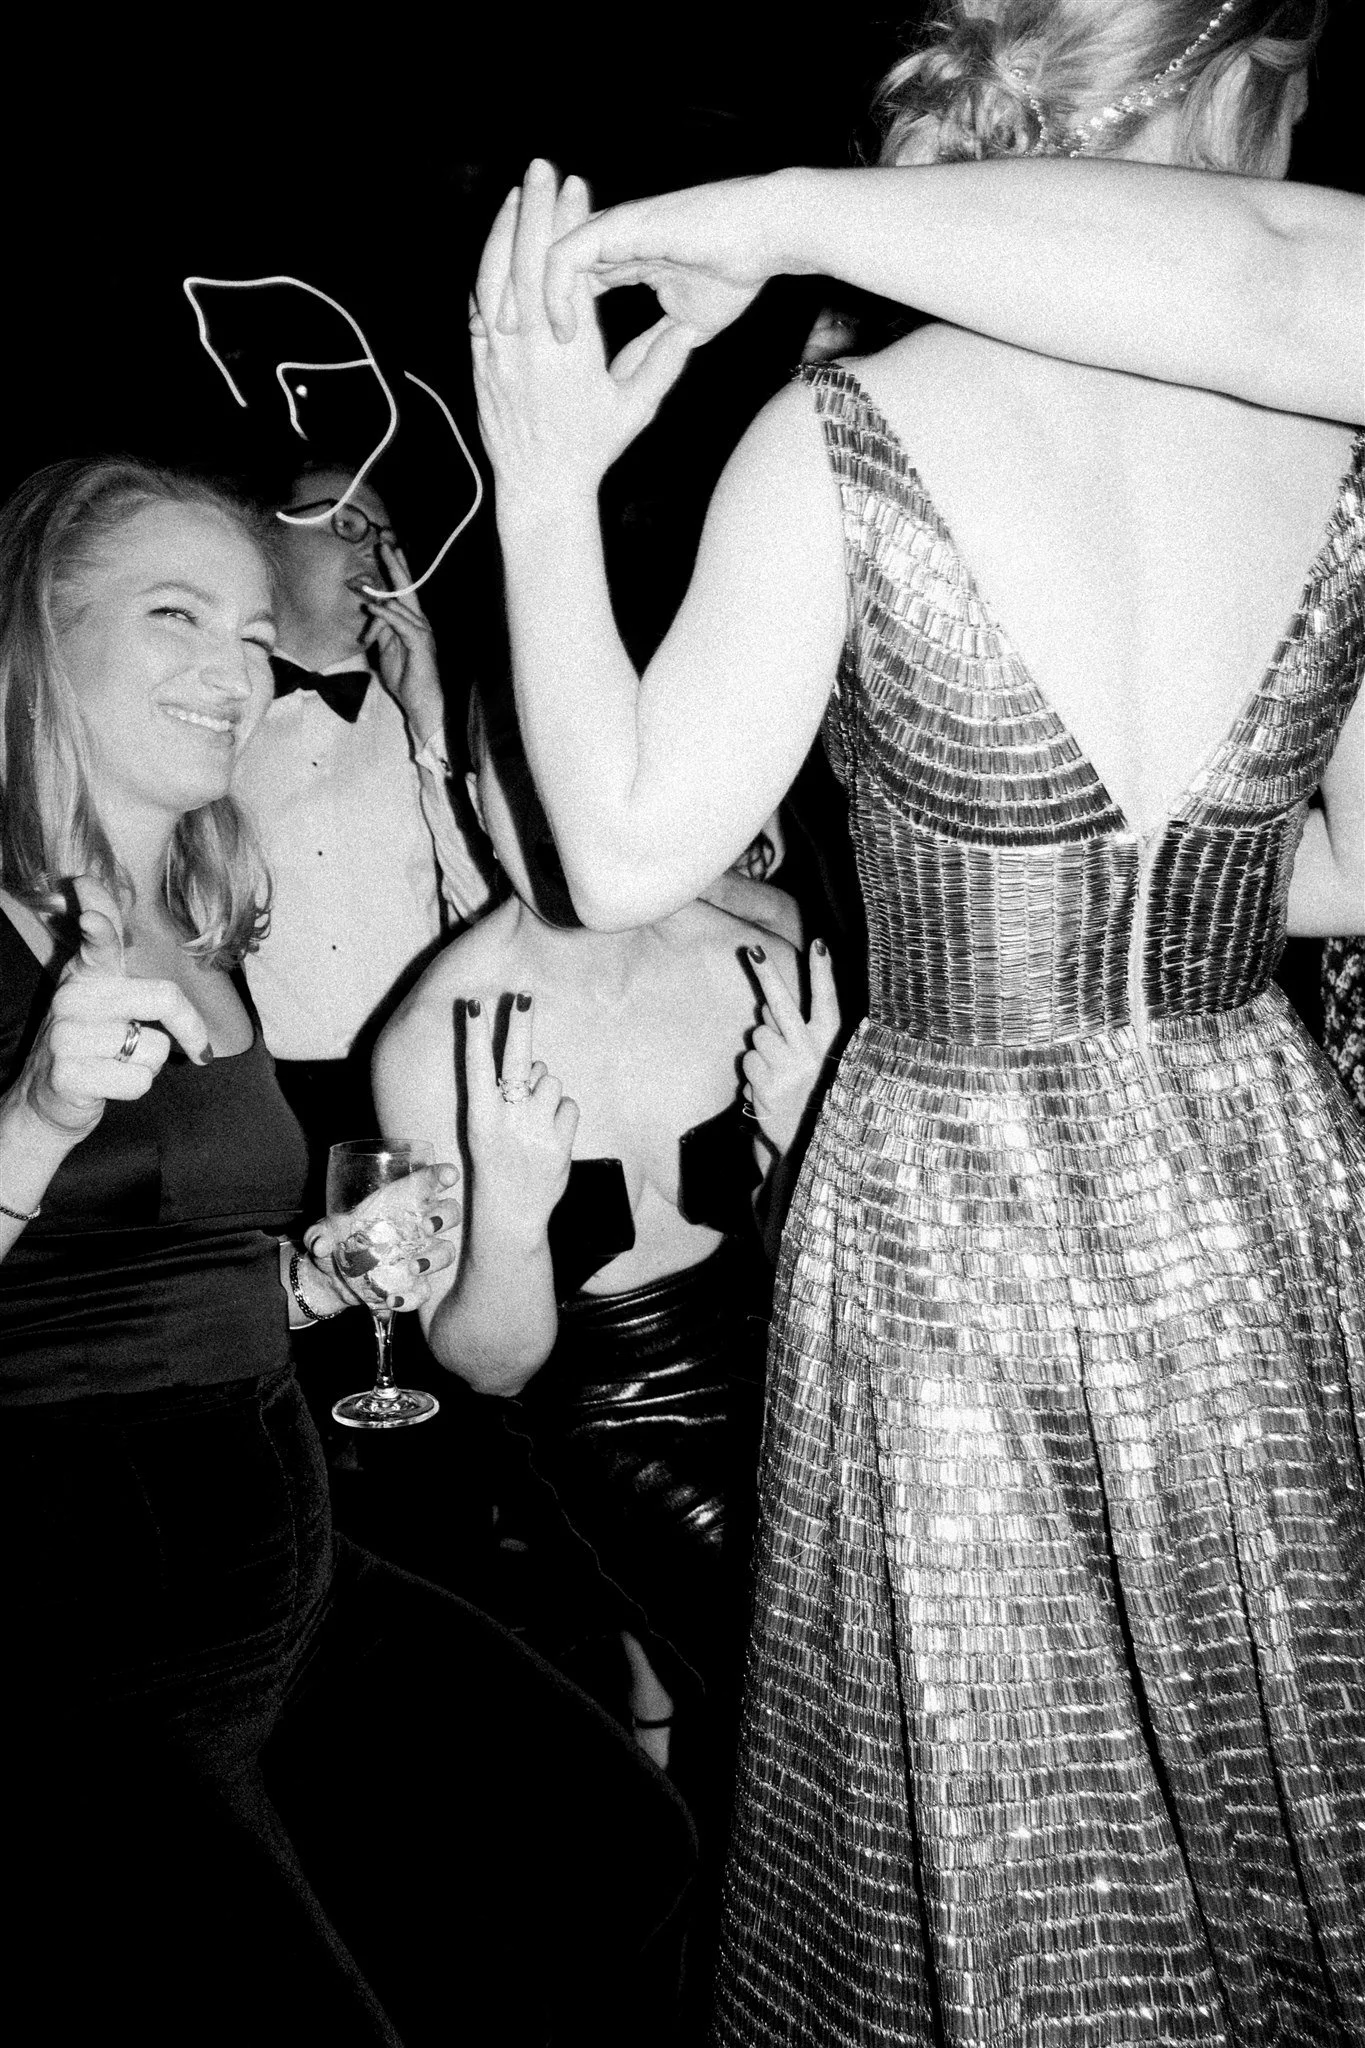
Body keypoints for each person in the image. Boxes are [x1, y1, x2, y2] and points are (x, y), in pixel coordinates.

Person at [467, 1, 1365, 2039]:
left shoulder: (840, 435)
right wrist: (1176, 906)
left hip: (956, 1198)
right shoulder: (1341, 427)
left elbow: (614, 851)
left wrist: (543, 486)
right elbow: (1353, 865)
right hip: (1248, 1150)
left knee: (981, 1804)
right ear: (1229, 74)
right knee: (1283, 1758)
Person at [0, 456, 694, 2048]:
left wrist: (319, 1273)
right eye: (175, 615)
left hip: (282, 1543)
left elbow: (160, 1261)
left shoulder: (187, 900)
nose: (234, 670)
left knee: (606, 1853)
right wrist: (35, 1116)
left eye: (252, 631)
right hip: (91, 1601)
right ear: (42, 631)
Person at [232, 457, 490, 1209]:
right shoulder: (207, 716)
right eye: (345, 523)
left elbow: (491, 910)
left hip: (420, 1080)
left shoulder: (444, 716)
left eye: (386, 534)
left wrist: (431, 723)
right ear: (261, 539)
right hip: (260, 1101)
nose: (373, 550)